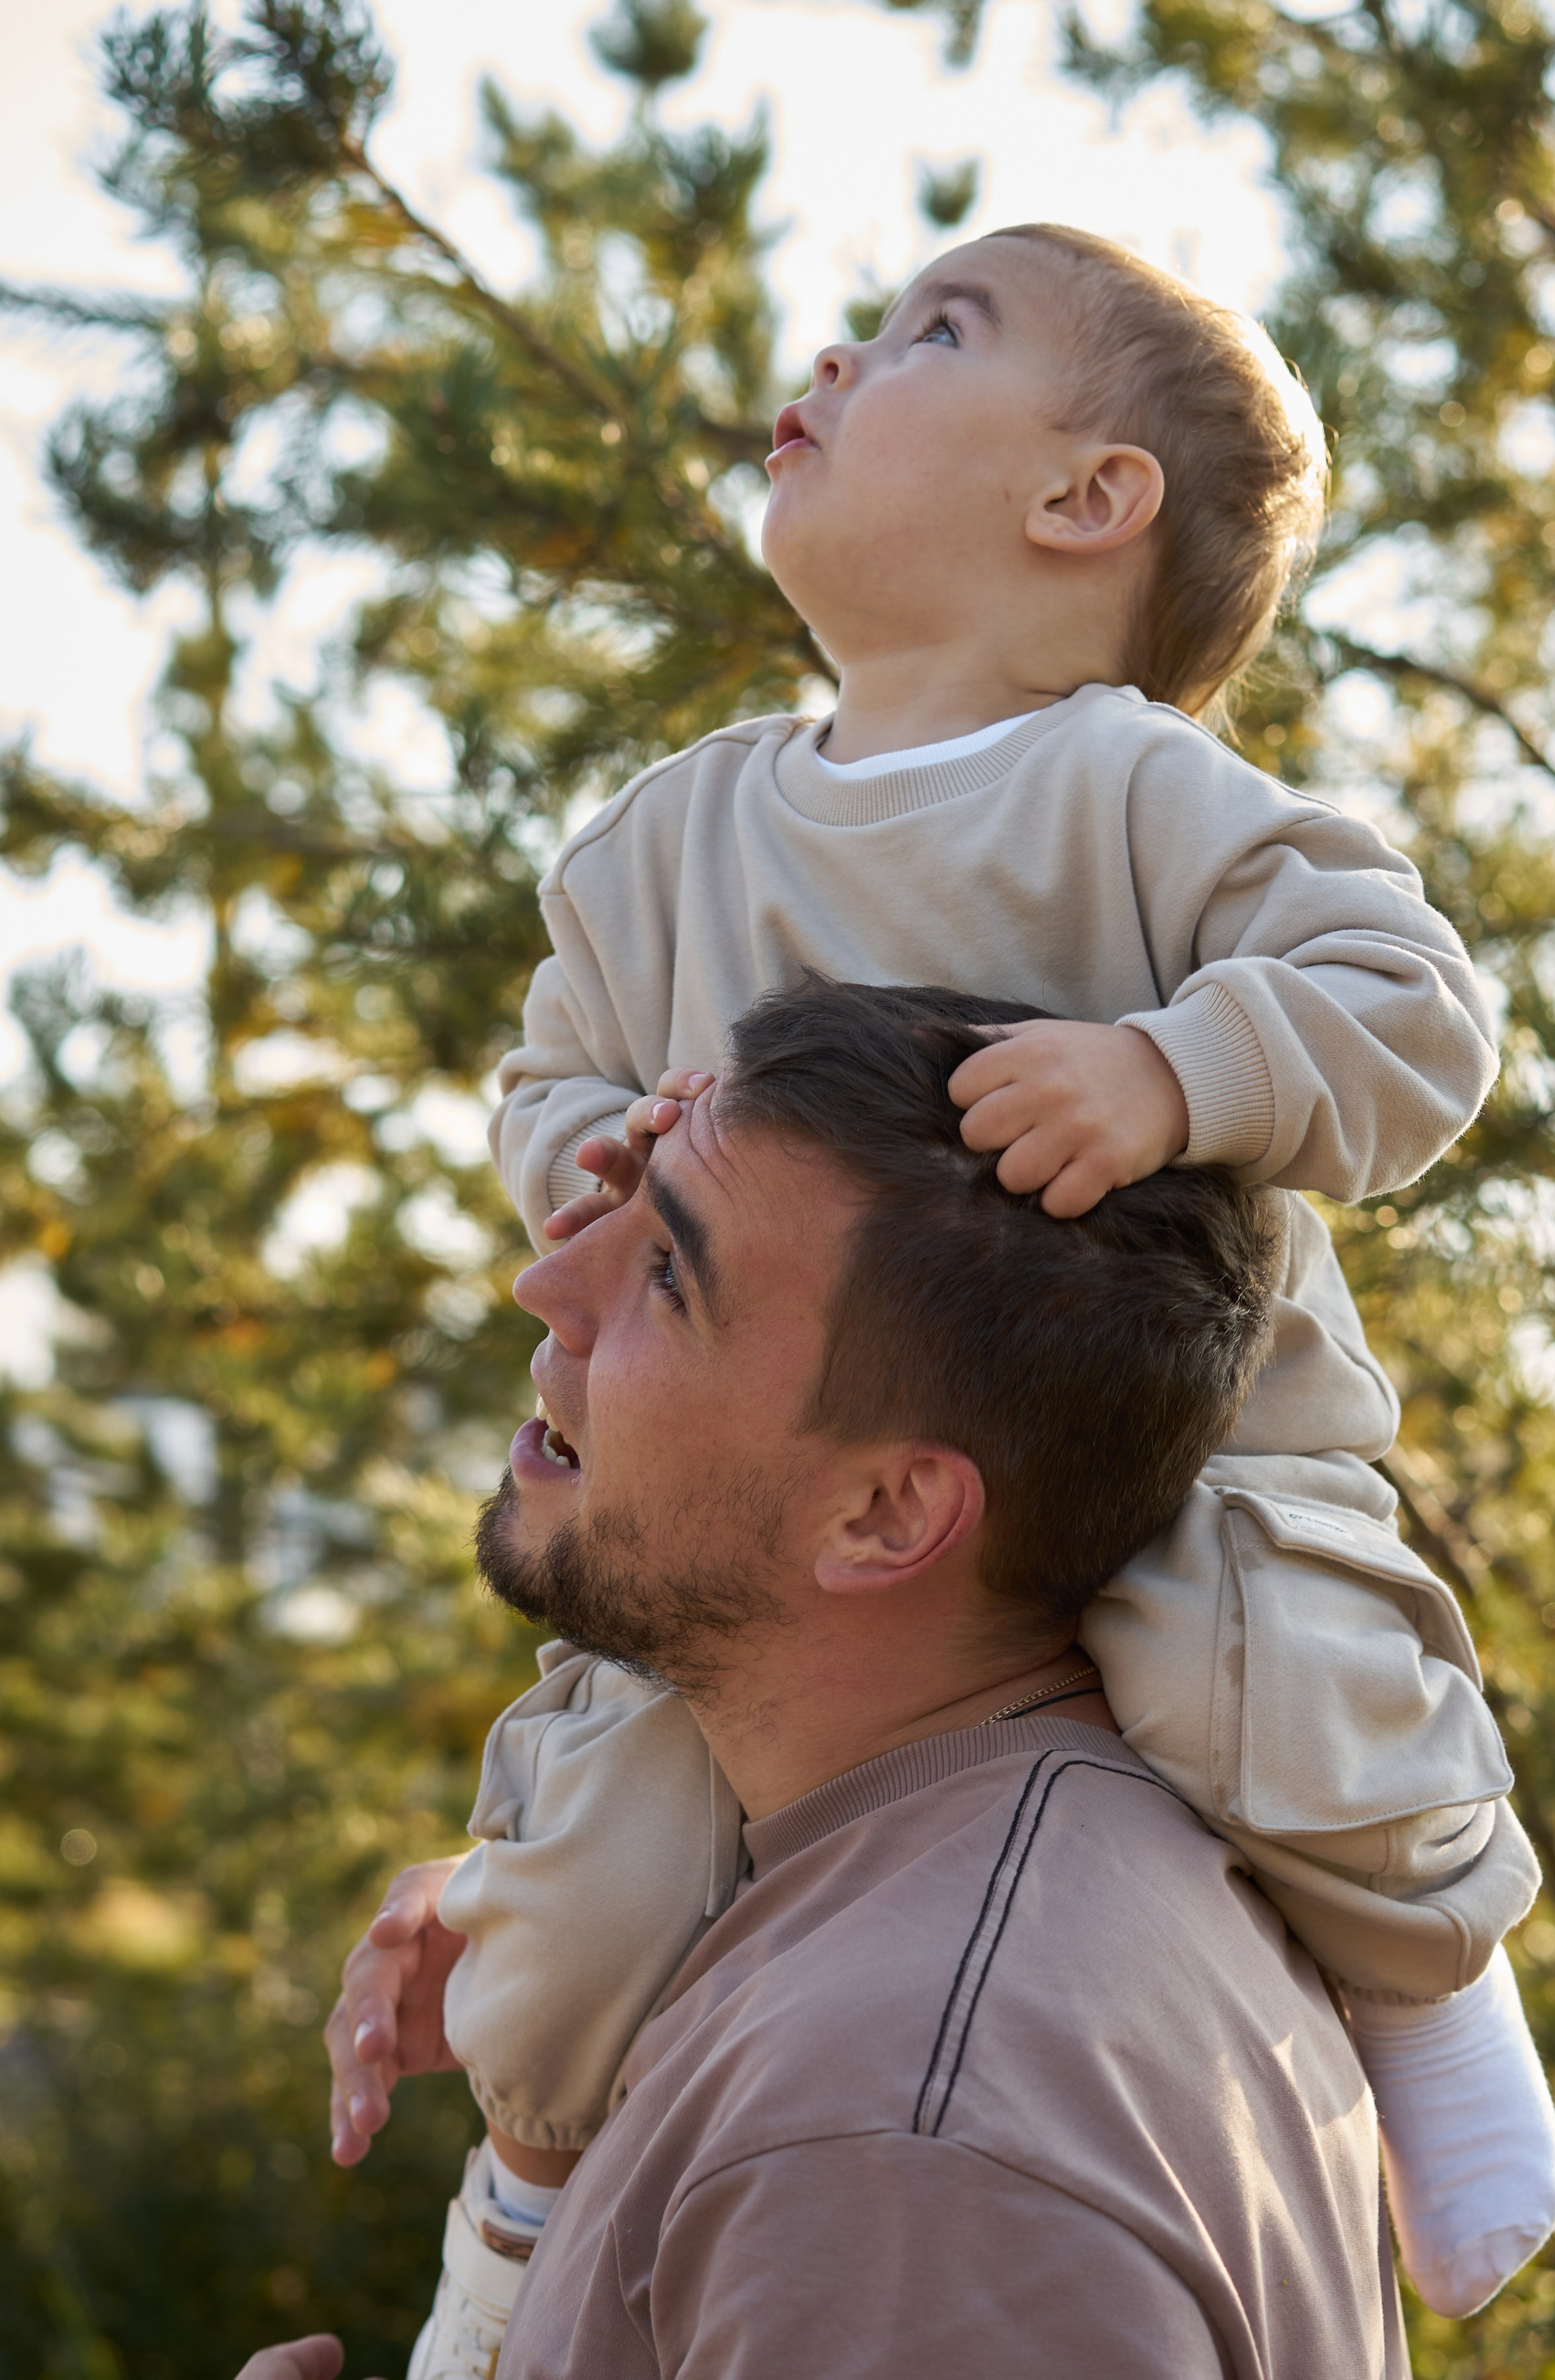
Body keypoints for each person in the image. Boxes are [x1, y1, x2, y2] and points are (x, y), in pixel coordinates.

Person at [336, 225, 1555, 2372]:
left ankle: (1434, 2000)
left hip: (1180, 1445)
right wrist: (597, 1157)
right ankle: (517, 2240)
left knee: (1260, 1681)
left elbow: (1411, 1010)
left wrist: (1178, 1070)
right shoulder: (670, 835)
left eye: (936, 334)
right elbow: (551, 1079)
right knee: (588, 1886)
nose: (839, 349)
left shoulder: (1137, 790)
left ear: (1087, 498)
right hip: (823, 1487)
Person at [315, 979, 1407, 2377]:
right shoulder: (981, 1924)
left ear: (887, 1514)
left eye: (668, 1277)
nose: (549, 1283)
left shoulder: (892, 2129)